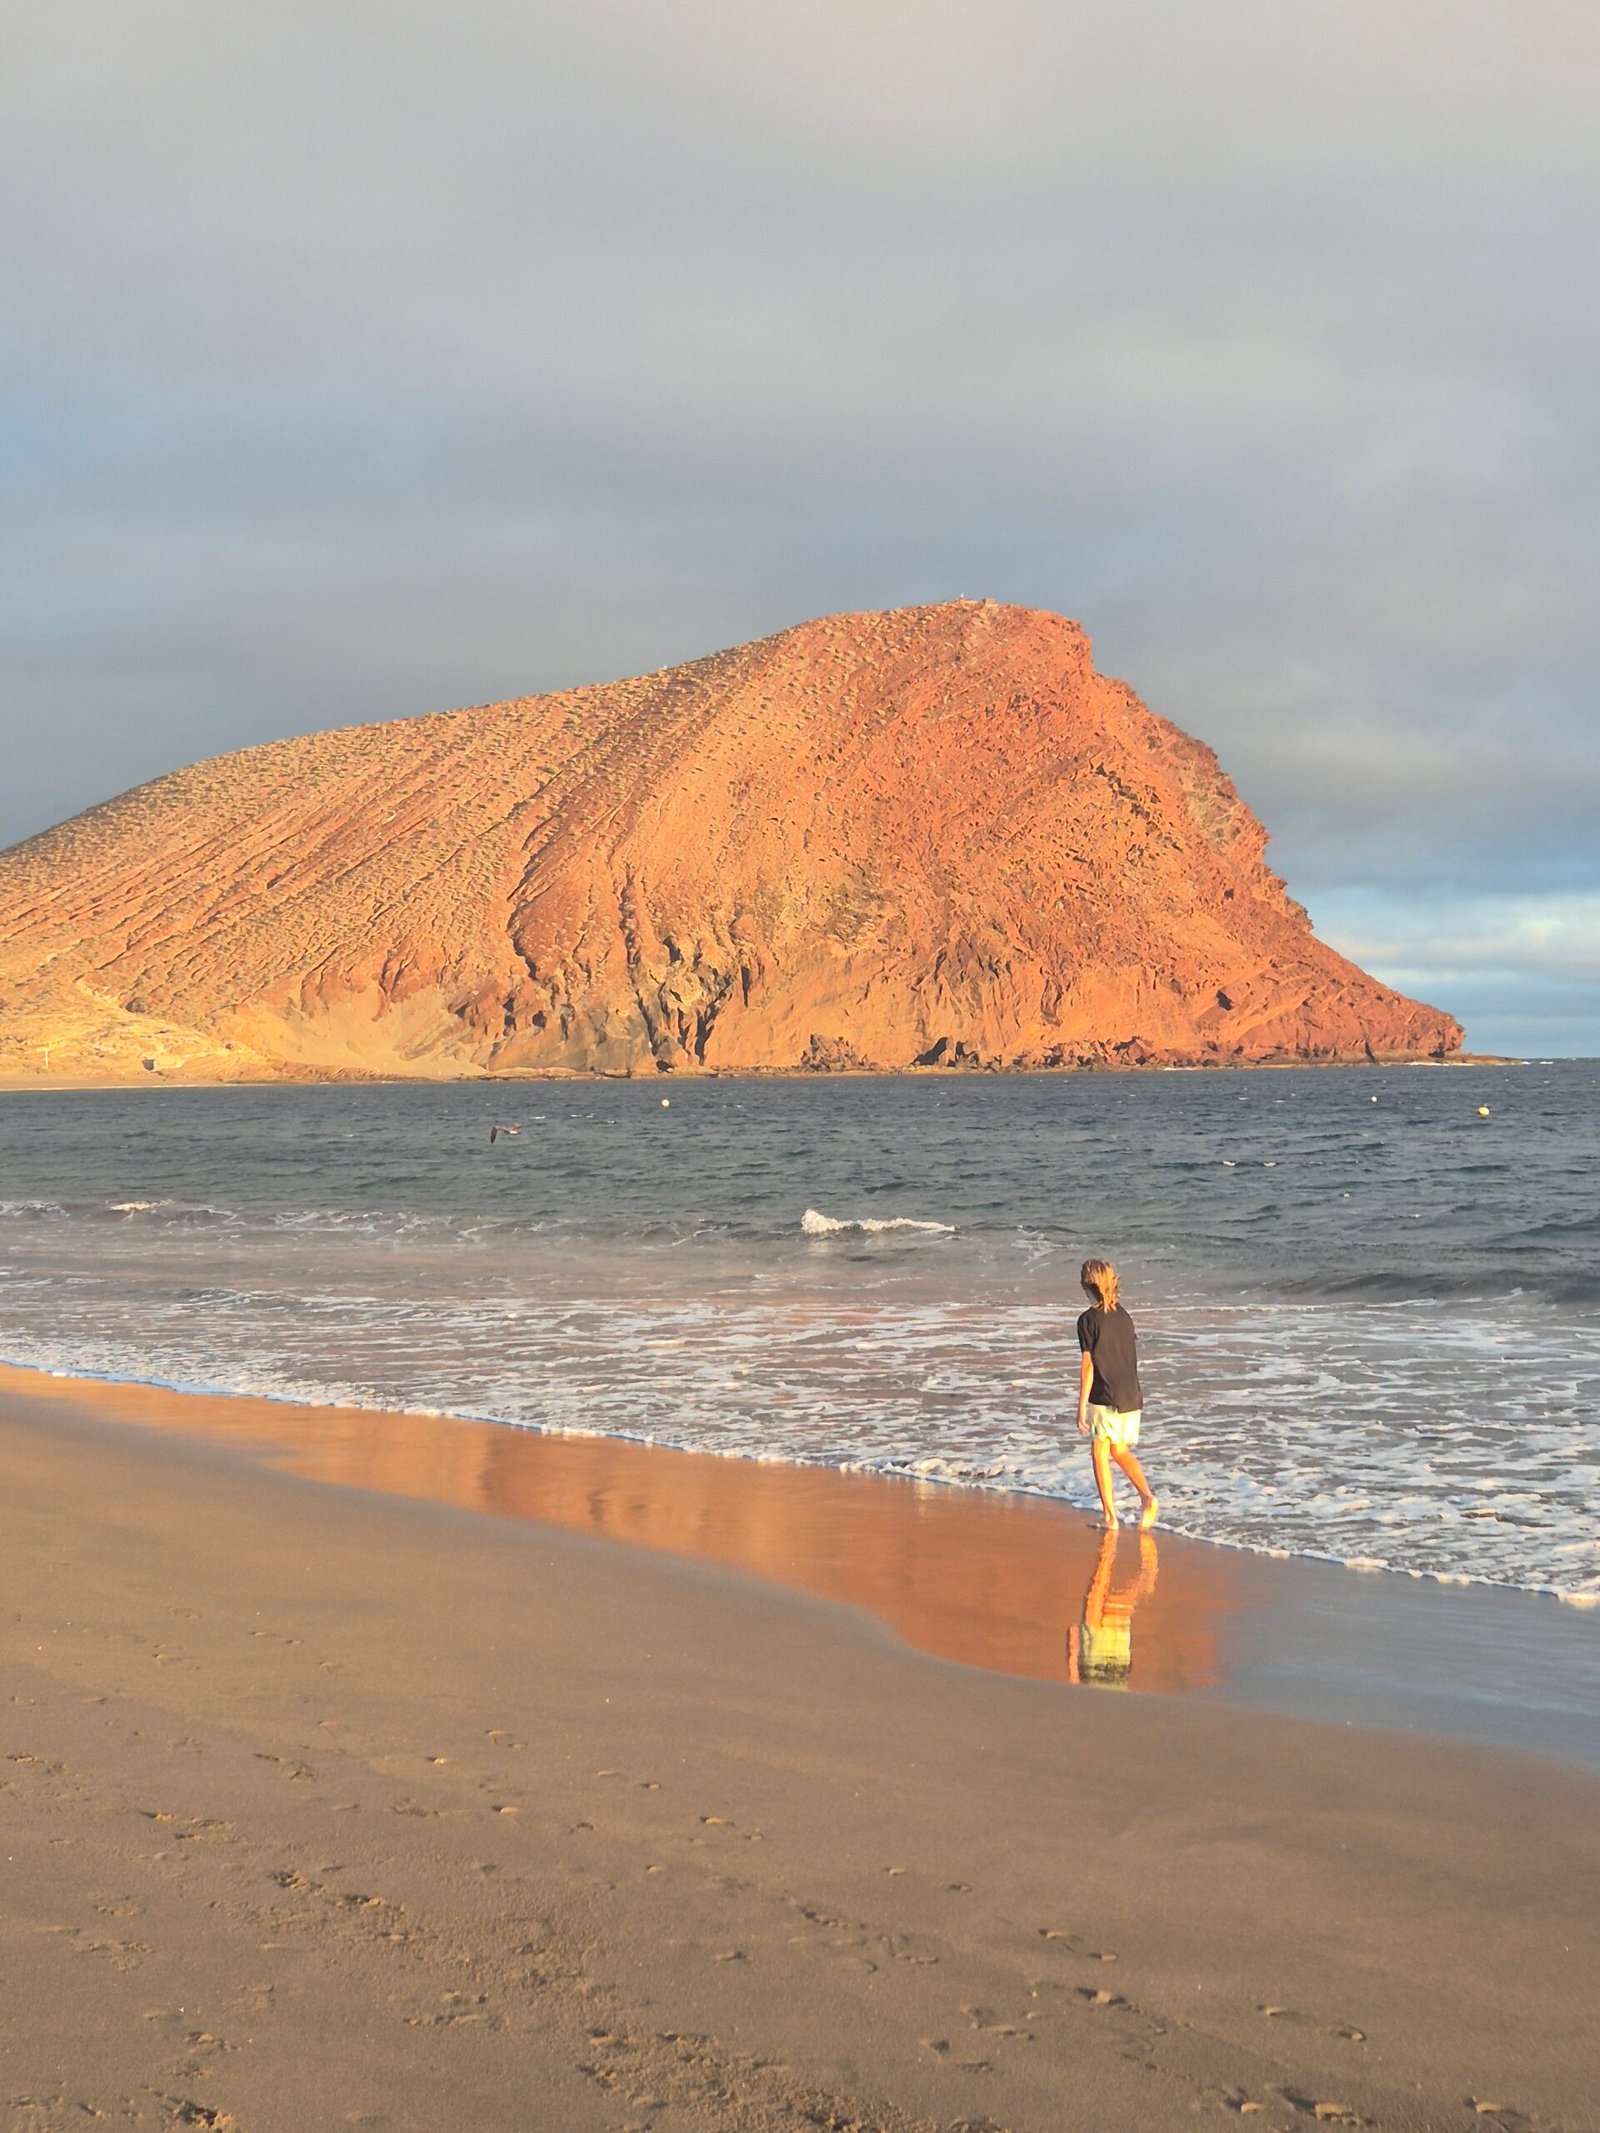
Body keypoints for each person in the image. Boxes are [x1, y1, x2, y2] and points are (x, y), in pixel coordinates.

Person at [1075, 1257, 1159, 1529]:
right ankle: (1148, 1498)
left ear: (1086, 1285)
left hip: (1105, 1395)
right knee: (1119, 1450)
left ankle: (1110, 1517)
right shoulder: (1124, 1315)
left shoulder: (1087, 1320)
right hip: (1131, 1395)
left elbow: (1088, 1366)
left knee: (1100, 1451)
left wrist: (1081, 1406)